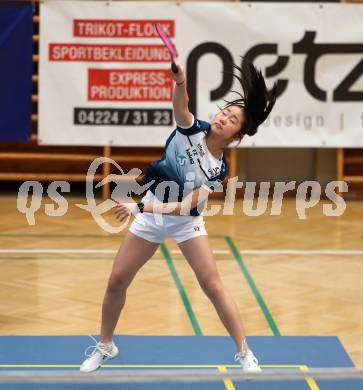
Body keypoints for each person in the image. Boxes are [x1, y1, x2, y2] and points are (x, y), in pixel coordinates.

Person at [80, 58, 277, 373]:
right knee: (117, 279)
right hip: (153, 212)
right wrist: (181, 81)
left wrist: (139, 207)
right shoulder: (191, 130)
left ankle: (244, 352)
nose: (223, 117)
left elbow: (184, 207)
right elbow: (181, 107)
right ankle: (106, 345)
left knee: (212, 285)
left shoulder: (218, 170)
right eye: (225, 112)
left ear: (237, 136)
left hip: (185, 221)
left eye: (232, 119)